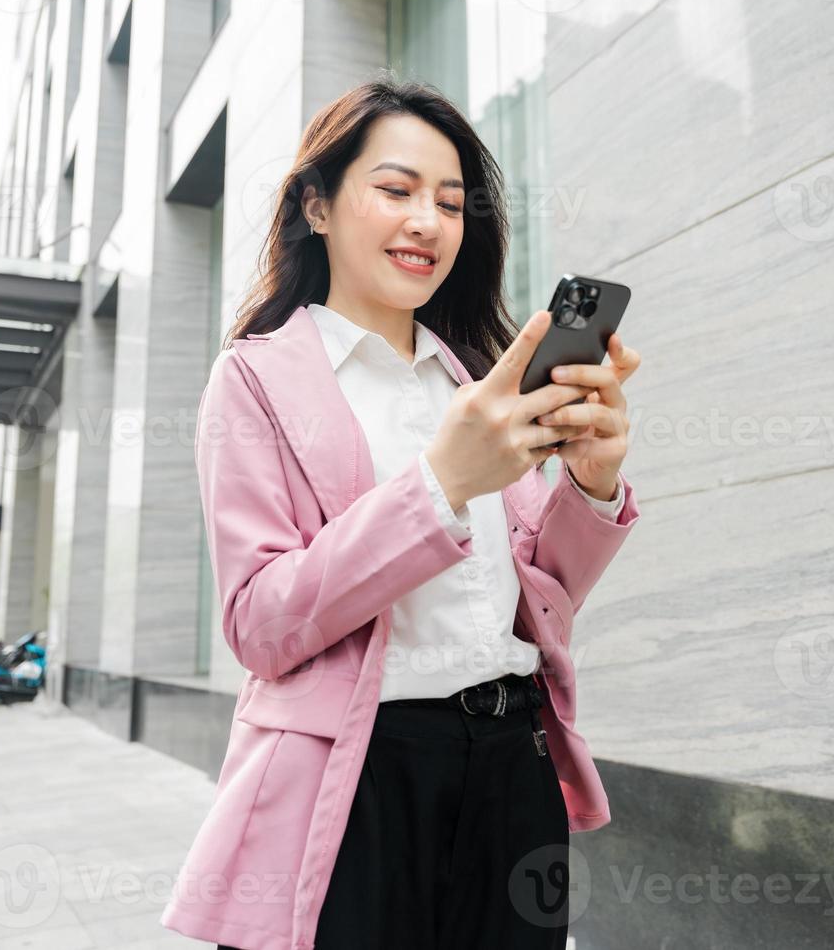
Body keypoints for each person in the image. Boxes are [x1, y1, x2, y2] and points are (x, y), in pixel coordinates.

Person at [160, 73, 641, 950]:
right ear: (317, 204)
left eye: (451, 203)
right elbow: (260, 625)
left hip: (511, 766)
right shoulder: (257, 379)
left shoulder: (474, 383)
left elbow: (540, 596)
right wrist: (439, 487)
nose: (428, 221)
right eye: (396, 190)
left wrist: (594, 484)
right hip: (360, 778)